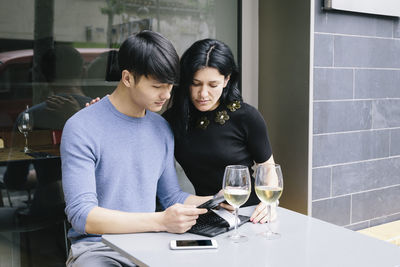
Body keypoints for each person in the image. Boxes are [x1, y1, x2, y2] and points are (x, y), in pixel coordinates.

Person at [61, 31, 211, 267]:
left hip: (152, 245)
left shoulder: (161, 128)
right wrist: (161, 221)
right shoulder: (81, 127)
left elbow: (172, 196)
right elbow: (82, 215)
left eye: (170, 85)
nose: (166, 94)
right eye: (157, 86)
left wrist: (217, 201)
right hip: (100, 249)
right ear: (128, 78)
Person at [163, 38, 276, 224]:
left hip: (252, 213)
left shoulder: (246, 117)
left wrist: (269, 204)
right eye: (195, 83)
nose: (203, 94)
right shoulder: (172, 121)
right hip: (208, 213)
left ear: (226, 80)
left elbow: (268, 167)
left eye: (213, 85)